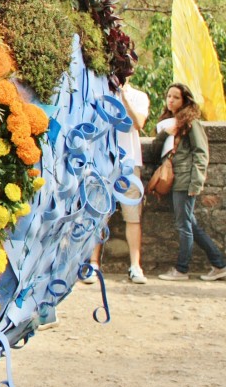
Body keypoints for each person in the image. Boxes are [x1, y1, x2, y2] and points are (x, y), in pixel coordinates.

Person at [153, 83, 226, 282]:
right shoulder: (169, 123)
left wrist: (196, 182)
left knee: (183, 225)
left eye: (176, 97)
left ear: (185, 100)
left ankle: (182, 269)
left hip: (184, 180)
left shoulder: (191, 123)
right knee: (190, 224)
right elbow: (155, 149)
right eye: (169, 96)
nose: (171, 100)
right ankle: (219, 264)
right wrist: (164, 133)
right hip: (173, 178)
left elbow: (201, 153)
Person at [82, 79, 150, 284]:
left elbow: (138, 123)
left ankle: (135, 266)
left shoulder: (139, 96)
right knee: (99, 215)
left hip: (129, 162)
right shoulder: (101, 93)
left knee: (132, 216)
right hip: (103, 162)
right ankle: (93, 263)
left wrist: (124, 99)